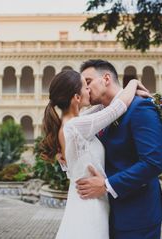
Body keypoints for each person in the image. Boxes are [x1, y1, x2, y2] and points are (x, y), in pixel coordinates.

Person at [41, 69, 148, 239]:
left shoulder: (71, 123)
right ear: (76, 97)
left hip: (84, 200)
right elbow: (116, 109)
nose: (89, 90)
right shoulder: (77, 125)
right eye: (86, 87)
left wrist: (129, 93)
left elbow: (105, 105)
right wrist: (133, 83)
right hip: (89, 206)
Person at [76, 59, 162, 239]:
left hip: (137, 216)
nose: (86, 89)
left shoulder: (140, 106)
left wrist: (106, 185)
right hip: (106, 215)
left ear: (106, 78)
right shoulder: (98, 115)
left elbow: (152, 163)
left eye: (88, 82)